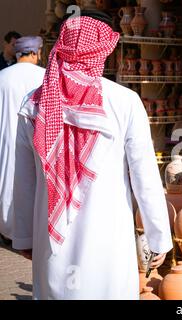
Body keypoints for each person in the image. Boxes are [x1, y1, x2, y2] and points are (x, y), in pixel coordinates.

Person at [12, 14, 172, 299]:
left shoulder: (35, 103)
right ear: (103, 51)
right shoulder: (124, 101)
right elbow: (145, 176)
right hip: (108, 244)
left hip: (52, 246)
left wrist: (24, 236)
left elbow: (23, 181)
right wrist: (158, 235)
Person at [0, 36, 46, 245]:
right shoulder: (44, 76)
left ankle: (6, 229)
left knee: (6, 181)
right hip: (34, 139)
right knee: (31, 184)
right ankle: (28, 233)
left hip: (5, 137)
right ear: (36, 53)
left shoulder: (2, 76)